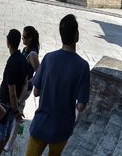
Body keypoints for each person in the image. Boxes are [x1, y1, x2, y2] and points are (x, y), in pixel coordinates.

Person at [26, 14, 90, 156]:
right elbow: (80, 106)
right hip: (62, 129)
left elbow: (36, 92)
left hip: (41, 125)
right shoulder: (83, 67)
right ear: (77, 35)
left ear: (61, 36)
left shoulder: (49, 58)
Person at [4, 26, 41, 151]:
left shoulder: (32, 53)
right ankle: (8, 138)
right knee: (16, 109)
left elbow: (39, 72)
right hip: (20, 85)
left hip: (25, 88)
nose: (22, 39)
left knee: (18, 113)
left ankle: (10, 143)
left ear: (30, 38)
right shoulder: (25, 49)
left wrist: (31, 81)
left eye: (25, 37)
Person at [0, 29, 27, 156]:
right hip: (14, 104)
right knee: (6, 130)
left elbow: (11, 91)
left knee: (0, 132)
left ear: (8, 42)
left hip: (6, 103)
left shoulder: (12, 62)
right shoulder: (23, 59)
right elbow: (25, 83)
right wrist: (18, 102)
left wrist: (16, 110)